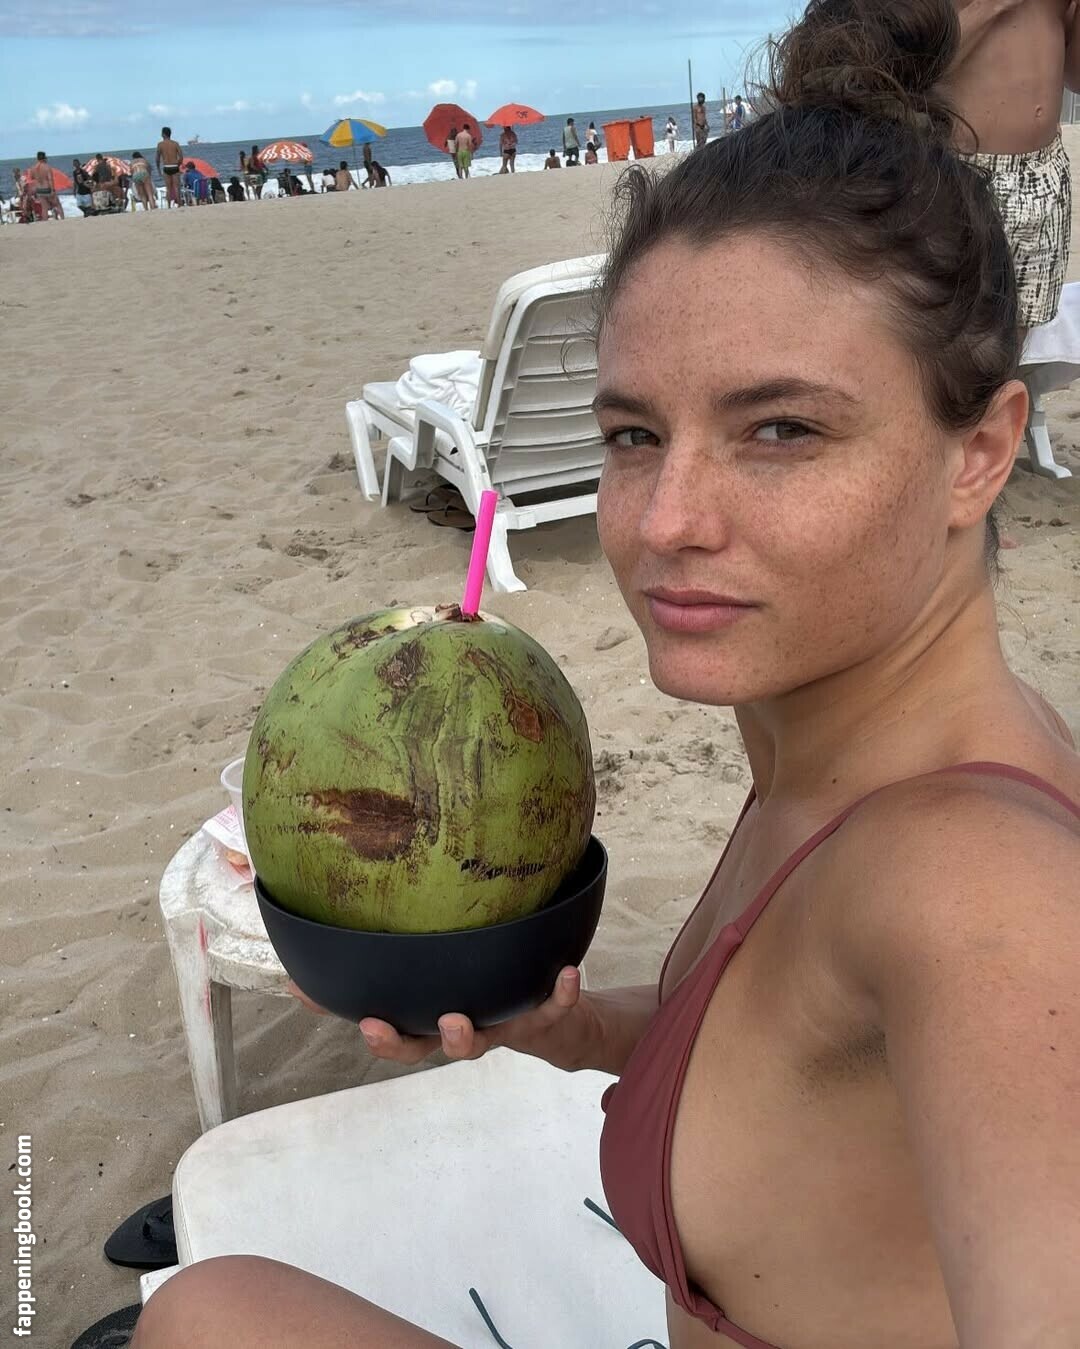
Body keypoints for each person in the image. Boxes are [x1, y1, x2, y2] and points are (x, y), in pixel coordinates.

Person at [128, 3, 1080, 1348]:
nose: (665, 520)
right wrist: (573, 1034)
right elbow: (794, 1068)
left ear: (979, 452)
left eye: (781, 429)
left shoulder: (977, 887)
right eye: (635, 434)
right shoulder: (833, 740)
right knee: (209, 1309)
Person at [943, 0, 1078, 330]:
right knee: (949, 329)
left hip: (1043, 176)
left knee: (1021, 329)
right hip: (961, 175)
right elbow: (914, 68)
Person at [27, 150, 63, 219]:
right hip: (47, 188)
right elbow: (50, 179)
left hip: (39, 189)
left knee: (44, 208)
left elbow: (32, 177)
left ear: (37, 158)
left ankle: (45, 221)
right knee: (58, 204)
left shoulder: (33, 168)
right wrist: (52, 190)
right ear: (44, 158)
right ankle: (62, 219)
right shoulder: (47, 167)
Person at [156, 127, 183, 206]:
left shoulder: (160, 144)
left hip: (166, 166)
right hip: (174, 166)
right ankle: (179, 204)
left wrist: (158, 169)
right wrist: (178, 165)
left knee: (168, 188)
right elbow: (181, 157)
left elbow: (157, 158)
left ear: (163, 134)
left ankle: (168, 205)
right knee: (176, 187)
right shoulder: (175, 143)